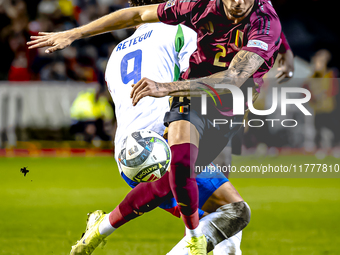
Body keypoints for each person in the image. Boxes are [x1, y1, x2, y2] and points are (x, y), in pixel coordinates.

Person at [27, 0, 282, 254]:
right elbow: (211, 80)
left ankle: (102, 226)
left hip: (128, 156)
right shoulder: (181, 30)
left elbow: (135, 17)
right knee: (232, 215)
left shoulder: (116, 54)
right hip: (162, 142)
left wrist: (74, 33)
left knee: (219, 225)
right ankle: (104, 226)